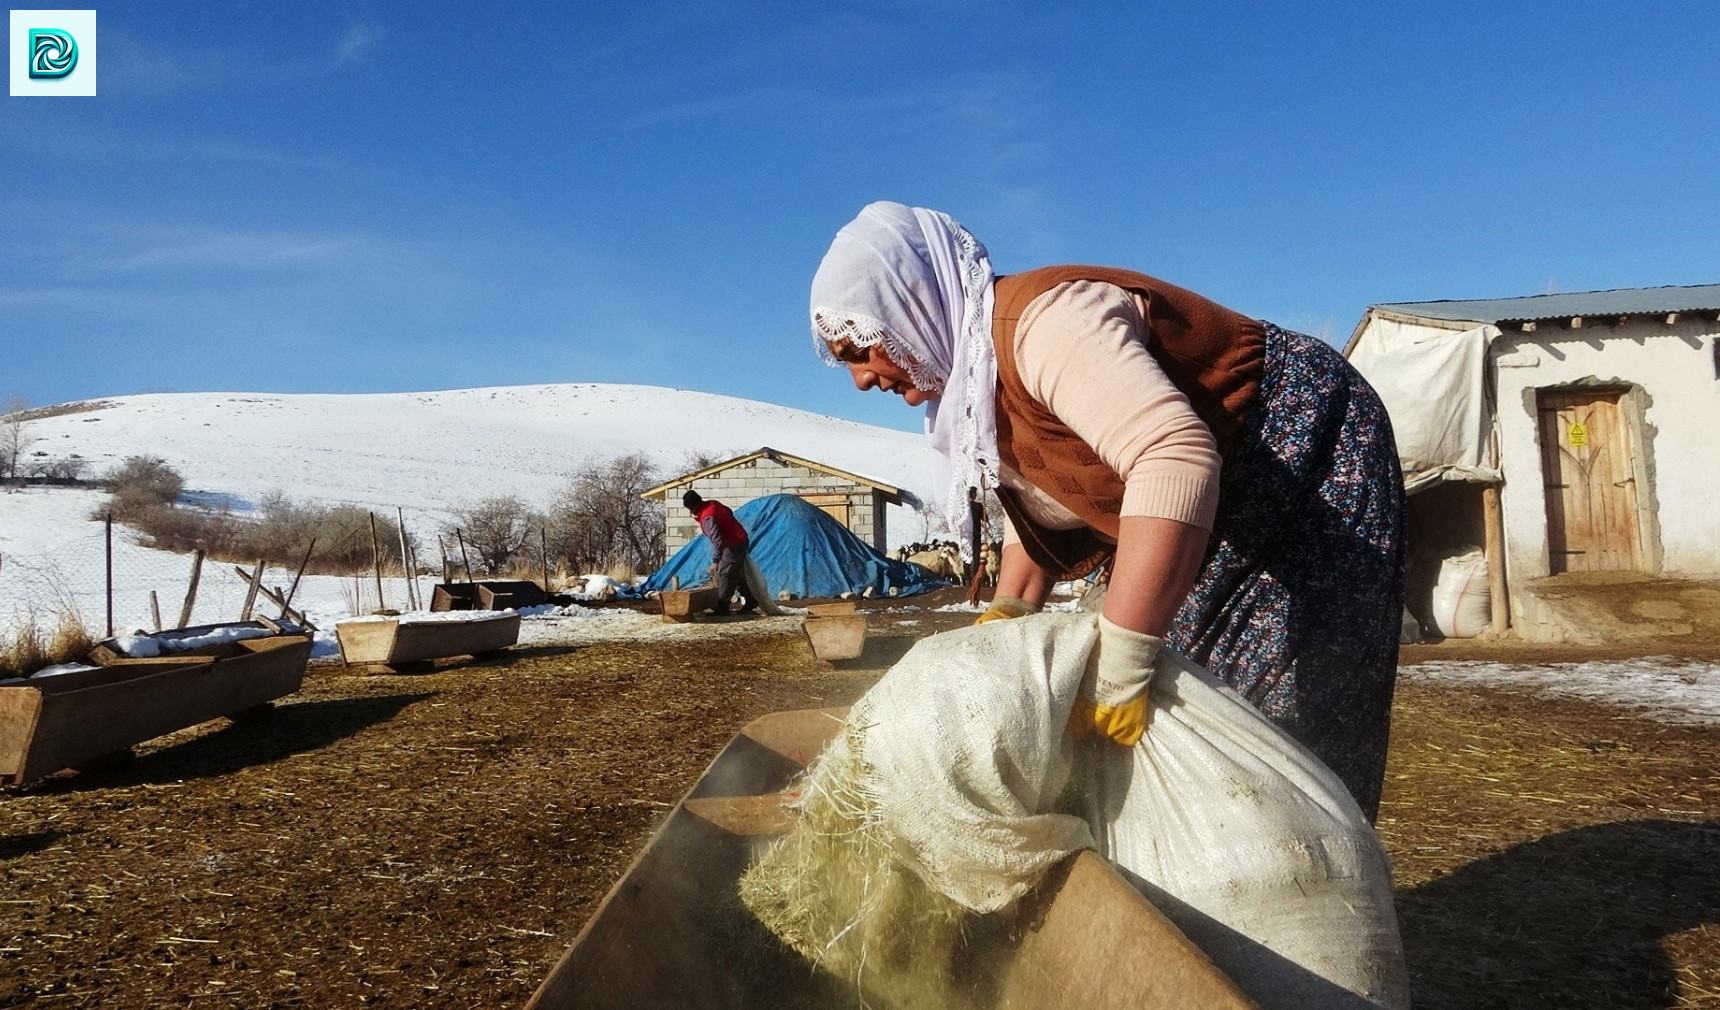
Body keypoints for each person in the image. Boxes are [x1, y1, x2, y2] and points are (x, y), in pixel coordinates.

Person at [808, 201, 1405, 821]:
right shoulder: (975, 385)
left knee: (1267, 719)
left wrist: (1123, 658)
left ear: (911, 308)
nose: (859, 380)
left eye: (860, 351)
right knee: (1190, 702)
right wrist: (1011, 610)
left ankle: (1308, 876)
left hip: (1298, 450)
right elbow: (1039, 495)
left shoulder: (1046, 324)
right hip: (1213, 497)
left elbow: (1173, 457)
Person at [683, 489, 757, 616]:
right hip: (740, 538)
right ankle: (750, 600)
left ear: (692, 507)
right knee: (735, 572)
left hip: (733, 543)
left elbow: (717, 541)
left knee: (725, 573)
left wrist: (715, 562)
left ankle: (723, 605)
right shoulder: (712, 504)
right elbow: (728, 511)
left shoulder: (707, 518)